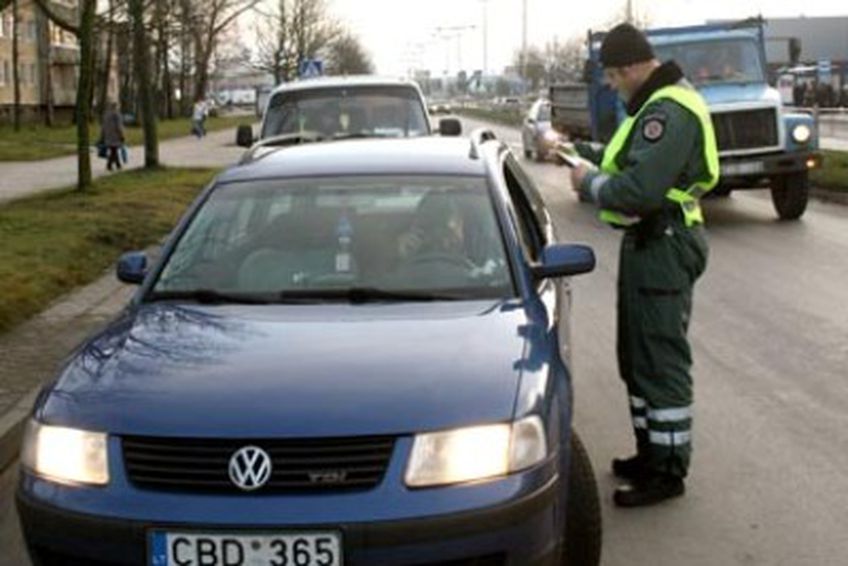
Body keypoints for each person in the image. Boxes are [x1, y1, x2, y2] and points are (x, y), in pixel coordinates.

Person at [570, 23, 719, 507]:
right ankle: (649, 452)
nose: (612, 86)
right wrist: (580, 155)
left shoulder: (669, 111)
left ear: (634, 67)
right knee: (636, 357)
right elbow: (628, 161)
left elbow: (638, 190)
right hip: (650, 242)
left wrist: (587, 185)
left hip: (665, 241)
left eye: (613, 76)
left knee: (659, 359)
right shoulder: (655, 107)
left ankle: (668, 471)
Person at [100, 102, 125, 172]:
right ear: (116, 107)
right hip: (115, 136)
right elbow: (119, 127)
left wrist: (102, 136)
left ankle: (117, 165)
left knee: (113, 150)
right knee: (114, 150)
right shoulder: (117, 115)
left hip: (107, 135)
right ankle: (109, 165)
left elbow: (103, 127)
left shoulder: (106, 115)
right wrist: (122, 135)